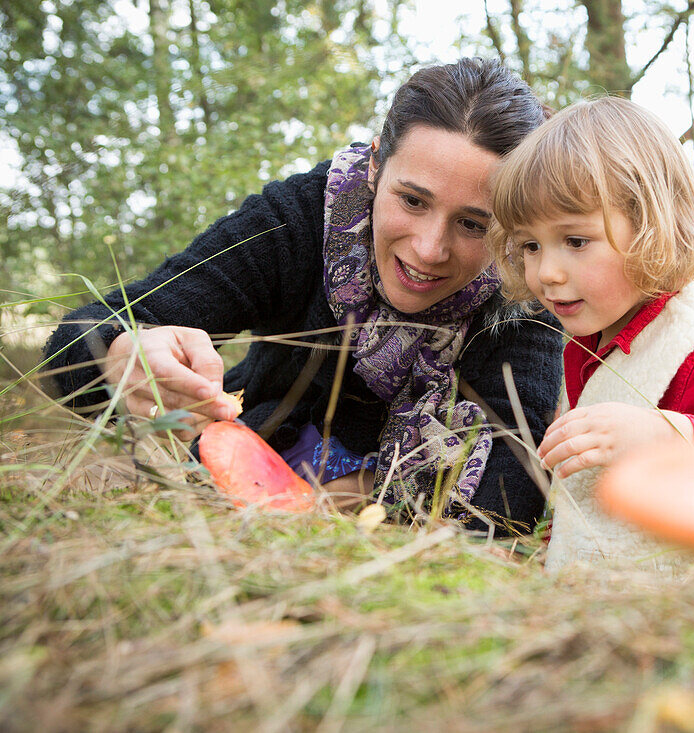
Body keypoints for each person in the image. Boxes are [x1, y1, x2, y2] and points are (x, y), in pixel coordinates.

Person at [43, 57, 563, 534]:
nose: (429, 250)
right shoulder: (299, 217)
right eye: (412, 200)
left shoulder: (527, 284)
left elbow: (509, 493)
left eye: (474, 225)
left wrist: (374, 504)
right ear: (376, 165)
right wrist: (119, 354)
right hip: (240, 486)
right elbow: (73, 344)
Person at [486, 96, 694, 570]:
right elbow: (587, 499)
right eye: (530, 246)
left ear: (653, 228)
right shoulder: (591, 341)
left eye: (576, 241)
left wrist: (667, 437)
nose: (546, 272)